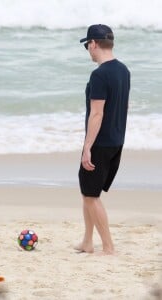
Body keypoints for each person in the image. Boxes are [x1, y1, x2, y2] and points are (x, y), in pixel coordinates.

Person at [76, 24, 130, 255]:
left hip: (100, 143)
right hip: (116, 139)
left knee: (91, 196)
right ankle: (88, 242)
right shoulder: (123, 70)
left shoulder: (99, 74)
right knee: (89, 192)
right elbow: (123, 107)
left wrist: (87, 147)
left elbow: (97, 113)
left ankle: (108, 246)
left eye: (88, 44)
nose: (88, 49)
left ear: (94, 44)